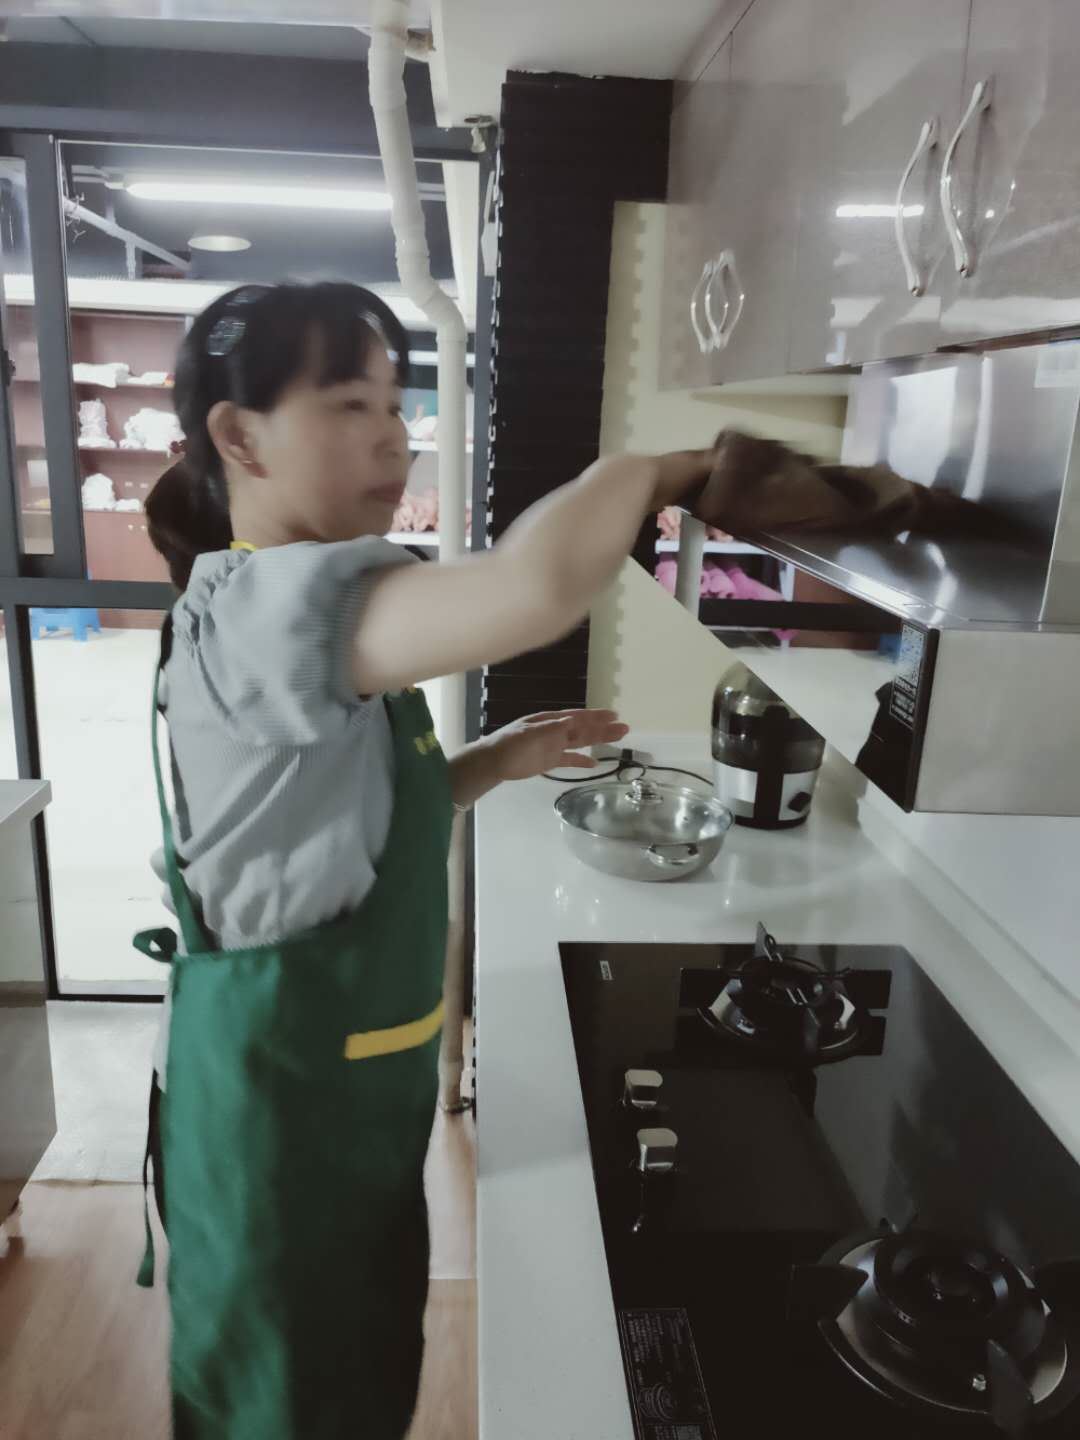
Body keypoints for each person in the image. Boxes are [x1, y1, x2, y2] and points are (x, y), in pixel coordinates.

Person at [135, 279, 716, 1440]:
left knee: (351, 1369)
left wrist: (493, 761)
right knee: (288, 1398)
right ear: (240, 436)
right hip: (281, 1118)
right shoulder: (277, 604)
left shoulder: (292, 606)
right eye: (349, 404)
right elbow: (534, 588)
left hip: (338, 1097)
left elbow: (335, 824)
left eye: (395, 405)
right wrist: (655, 470)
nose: (392, 435)